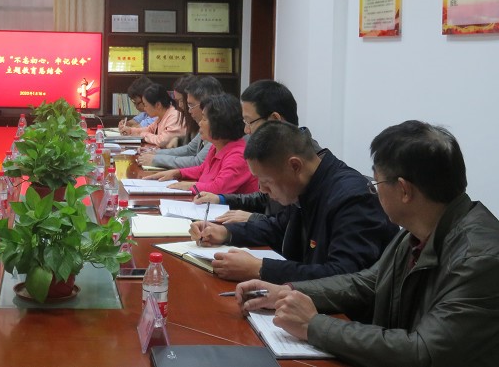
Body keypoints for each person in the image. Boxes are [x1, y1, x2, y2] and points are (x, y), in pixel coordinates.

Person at [236, 121, 499, 367]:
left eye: (377, 183)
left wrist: (313, 326)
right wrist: (286, 291)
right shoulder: (418, 231)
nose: (373, 190)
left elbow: (423, 351)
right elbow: (367, 283)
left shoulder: (479, 259)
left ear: (404, 190)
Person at [190, 121, 398, 284]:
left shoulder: (352, 199)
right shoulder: (306, 185)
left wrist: (260, 269)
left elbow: (343, 276)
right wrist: (227, 233)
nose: (262, 190)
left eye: (266, 182)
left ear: (295, 166)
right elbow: (280, 228)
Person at [195, 79, 301, 222]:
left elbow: (284, 227)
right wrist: (221, 199)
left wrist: (253, 218)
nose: (246, 130)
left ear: (275, 119)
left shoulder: (299, 163)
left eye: (249, 122)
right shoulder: (279, 152)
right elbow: (264, 198)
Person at [144, 93, 257, 196]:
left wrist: (189, 186)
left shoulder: (238, 155)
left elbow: (218, 188)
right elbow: (203, 169)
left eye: (204, 119)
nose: (200, 123)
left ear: (219, 123)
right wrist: (177, 173)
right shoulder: (216, 146)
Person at [137, 76, 223, 170]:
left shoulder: (219, 128)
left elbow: (198, 162)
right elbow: (190, 149)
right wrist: (155, 153)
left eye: (190, 105)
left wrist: (156, 159)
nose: (183, 107)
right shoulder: (205, 124)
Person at [119, 82, 185, 147]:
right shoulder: (161, 116)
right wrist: (130, 131)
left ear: (158, 105)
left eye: (145, 105)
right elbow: (149, 129)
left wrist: (143, 135)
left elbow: (162, 141)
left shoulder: (174, 116)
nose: (144, 109)